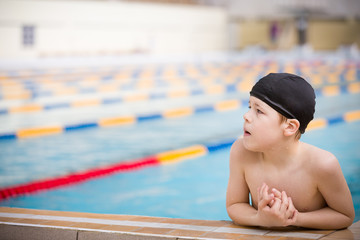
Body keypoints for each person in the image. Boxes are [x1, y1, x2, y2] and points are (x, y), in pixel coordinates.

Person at [226, 73, 355, 229]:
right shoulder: (241, 152)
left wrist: (292, 218)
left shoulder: (322, 164)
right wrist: (259, 218)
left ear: (289, 127)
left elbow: (344, 216)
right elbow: (235, 204)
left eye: (259, 111)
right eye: (249, 107)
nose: (246, 116)